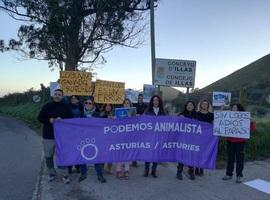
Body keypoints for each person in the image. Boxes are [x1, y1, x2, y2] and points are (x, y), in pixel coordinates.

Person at [37, 89, 72, 184]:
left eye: (59, 95)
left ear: (62, 96)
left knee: (62, 156)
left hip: (61, 137)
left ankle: (64, 175)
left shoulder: (66, 107)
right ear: (53, 95)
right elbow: (39, 118)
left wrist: (63, 120)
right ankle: (52, 173)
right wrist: (49, 120)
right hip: (48, 136)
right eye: (56, 94)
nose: (57, 96)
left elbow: (71, 119)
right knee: (48, 156)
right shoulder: (47, 106)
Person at [222, 103, 256, 183]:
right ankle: (229, 174)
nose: (233, 109)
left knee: (240, 159)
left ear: (239, 109)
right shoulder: (228, 116)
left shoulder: (245, 118)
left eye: (235, 107)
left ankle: (239, 175)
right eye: (233, 107)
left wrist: (252, 121)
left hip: (241, 142)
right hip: (230, 141)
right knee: (230, 158)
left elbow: (252, 129)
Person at [79, 97, 107, 183]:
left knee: (97, 157)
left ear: (93, 105)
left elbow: (104, 124)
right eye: (86, 103)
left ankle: (100, 175)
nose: (88, 104)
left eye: (90, 103)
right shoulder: (81, 115)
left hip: (95, 139)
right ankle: (83, 174)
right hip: (83, 139)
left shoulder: (97, 114)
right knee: (82, 157)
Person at [144, 95, 166, 178]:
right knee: (148, 153)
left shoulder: (162, 112)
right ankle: (146, 171)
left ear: (159, 102)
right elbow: (143, 121)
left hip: (159, 136)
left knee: (156, 154)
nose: (155, 102)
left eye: (157, 100)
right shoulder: (147, 111)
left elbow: (167, 123)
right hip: (149, 136)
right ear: (152, 102)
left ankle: (153, 171)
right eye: (154, 100)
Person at [177, 100, 197, 180]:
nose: (189, 106)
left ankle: (191, 171)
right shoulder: (181, 114)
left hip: (193, 139)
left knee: (191, 155)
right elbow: (175, 124)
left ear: (193, 106)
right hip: (183, 138)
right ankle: (179, 171)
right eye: (188, 105)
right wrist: (179, 119)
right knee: (182, 155)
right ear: (186, 106)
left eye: (191, 105)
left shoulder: (196, 115)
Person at [195, 99, 214, 176]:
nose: (204, 105)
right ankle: (196, 167)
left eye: (206, 104)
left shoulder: (211, 115)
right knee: (197, 152)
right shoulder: (197, 113)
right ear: (200, 105)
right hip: (197, 136)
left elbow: (214, 123)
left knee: (203, 152)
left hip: (206, 137)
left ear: (208, 106)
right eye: (203, 104)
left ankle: (201, 167)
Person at [115, 98, 133, 180]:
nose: (126, 104)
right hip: (119, 136)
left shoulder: (133, 114)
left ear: (130, 105)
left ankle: (126, 170)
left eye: (128, 103)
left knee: (127, 154)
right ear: (123, 104)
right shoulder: (118, 113)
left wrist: (135, 118)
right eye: (125, 103)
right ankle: (118, 170)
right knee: (119, 153)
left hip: (129, 136)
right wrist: (114, 118)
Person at [68, 95, 84, 174]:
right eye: (72, 98)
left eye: (75, 98)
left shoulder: (81, 107)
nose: (73, 99)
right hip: (69, 131)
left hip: (79, 131)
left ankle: (78, 167)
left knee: (78, 149)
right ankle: (69, 167)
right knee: (70, 150)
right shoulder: (67, 107)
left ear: (78, 100)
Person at [100, 104, 114, 175]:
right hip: (103, 137)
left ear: (111, 107)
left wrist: (114, 119)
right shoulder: (101, 114)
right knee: (102, 153)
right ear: (104, 107)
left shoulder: (114, 115)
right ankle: (101, 168)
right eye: (106, 106)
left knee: (110, 154)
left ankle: (109, 168)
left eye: (109, 106)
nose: (108, 107)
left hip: (111, 137)